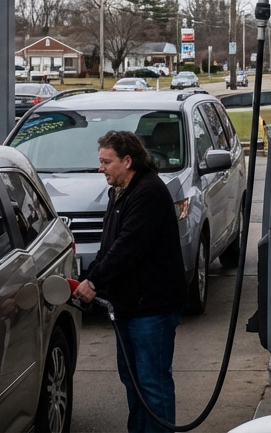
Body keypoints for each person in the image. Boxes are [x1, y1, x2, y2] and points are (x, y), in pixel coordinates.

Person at [73, 130, 187, 433]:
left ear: (127, 160)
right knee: (133, 380)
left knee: (152, 382)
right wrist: (88, 277)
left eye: (106, 162)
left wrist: (94, 282)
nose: (101, 169)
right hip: (128, 305)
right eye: (100, 162)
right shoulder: (119, 192)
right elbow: (109, 244)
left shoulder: (148, 192)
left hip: (152, 308)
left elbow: (128, 246)